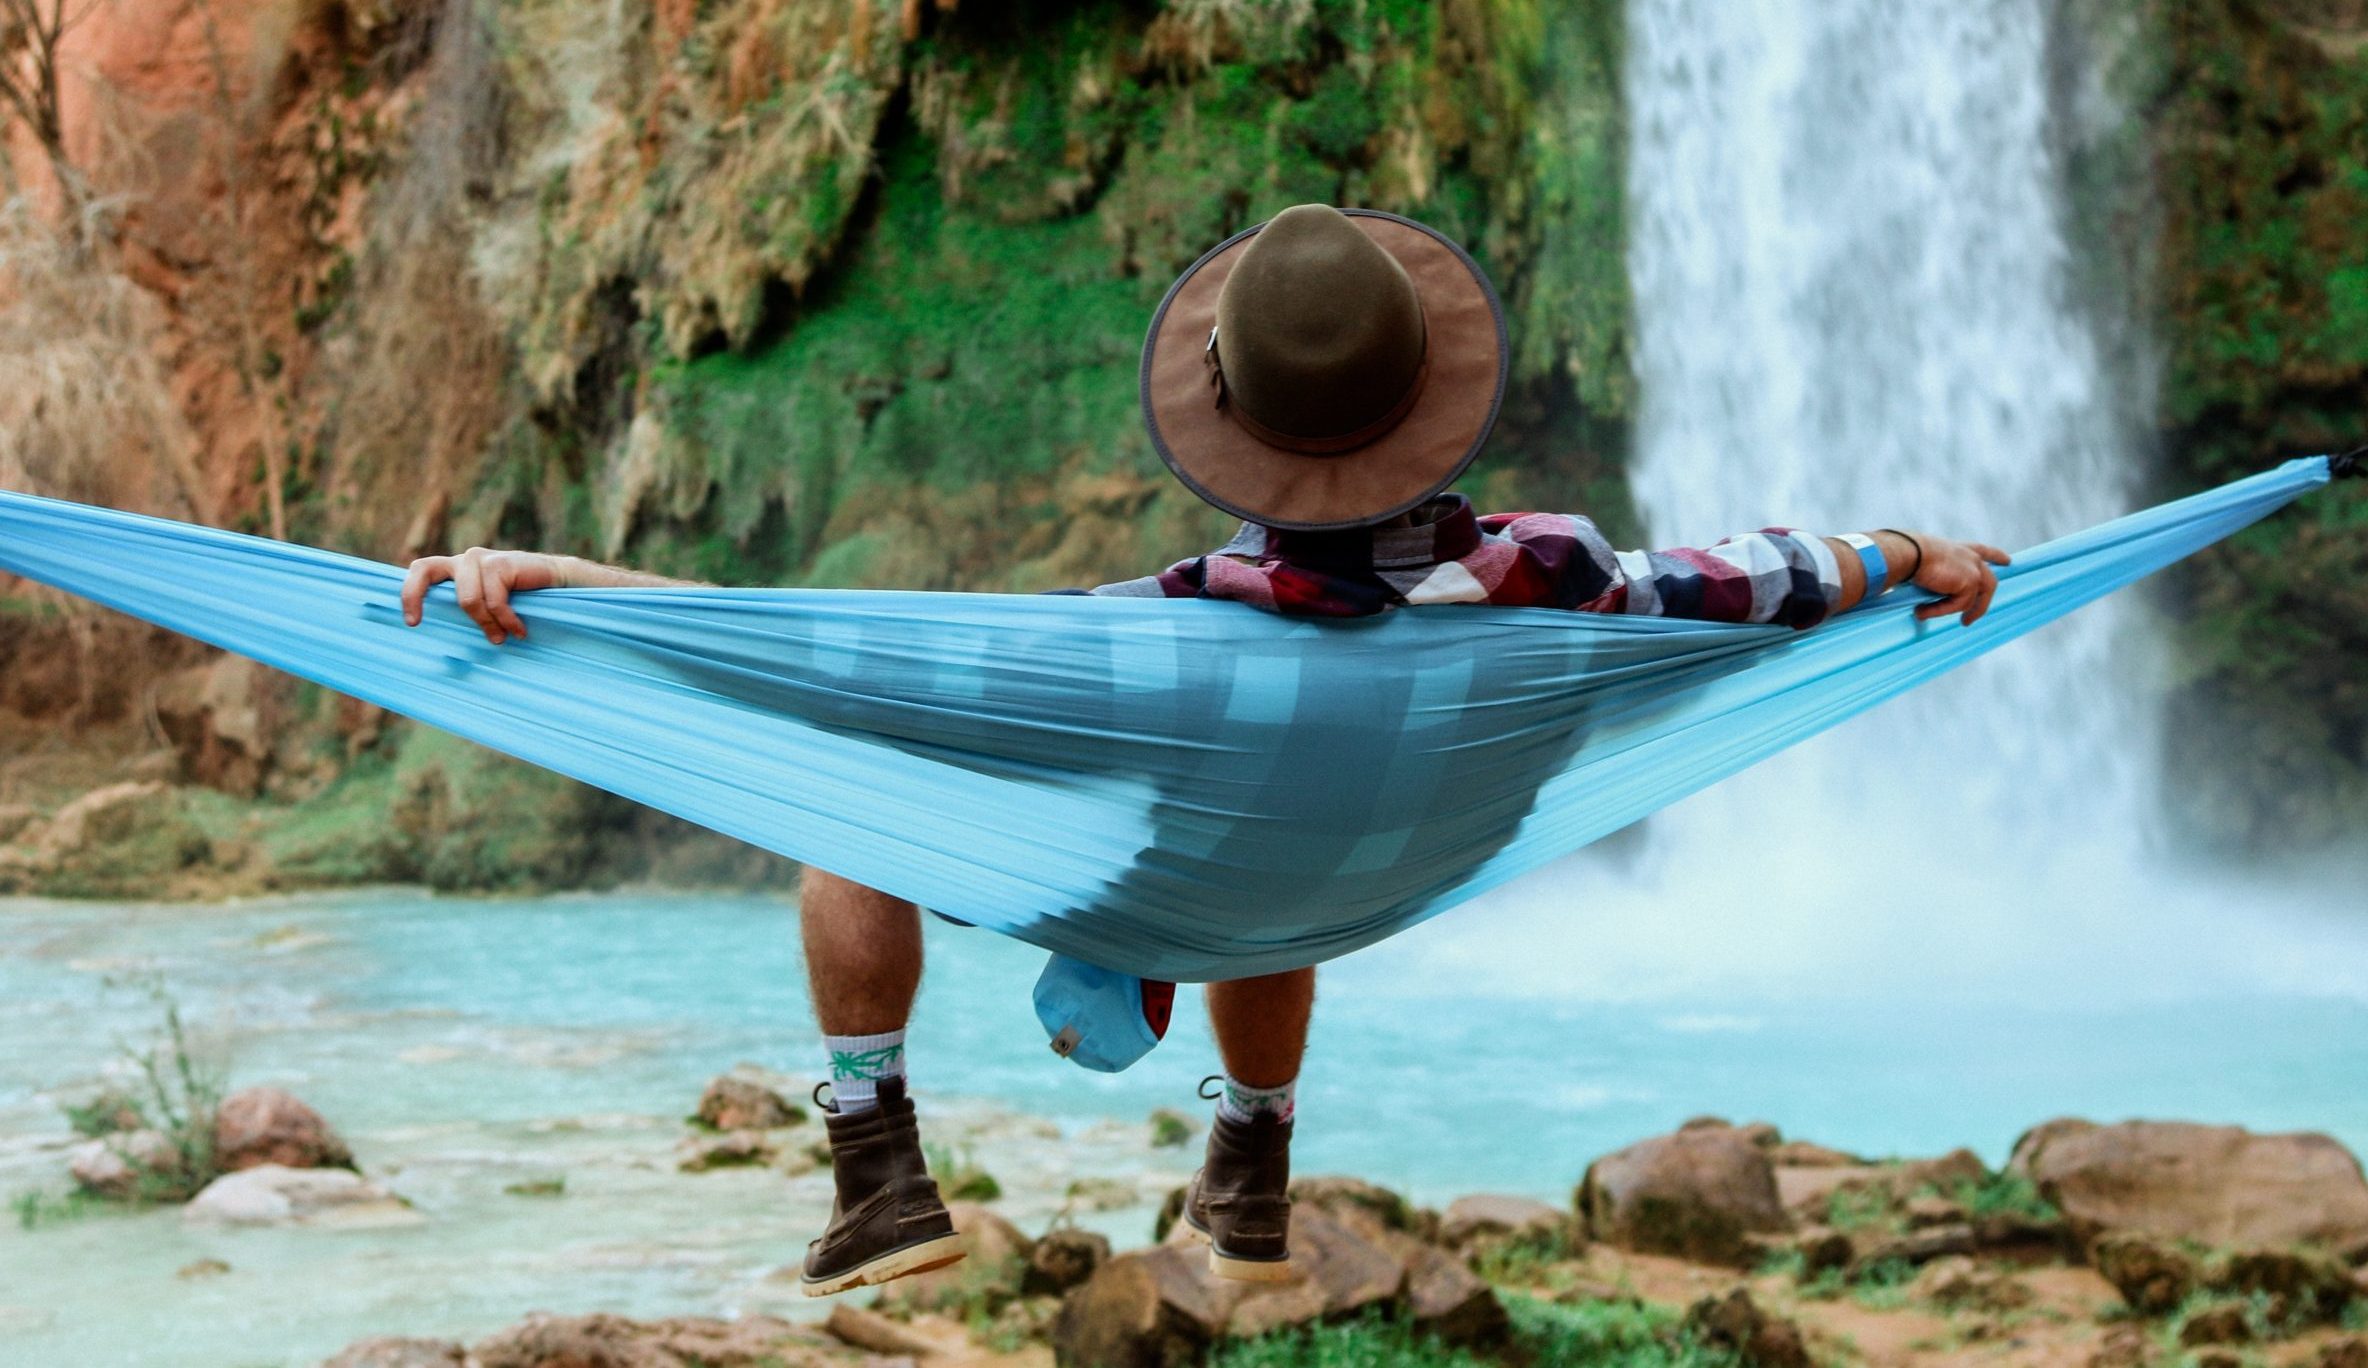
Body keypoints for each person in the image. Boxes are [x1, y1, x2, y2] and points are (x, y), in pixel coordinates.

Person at [399, 204, 2008, 1295]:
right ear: (1434, 403)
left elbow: (823, 665)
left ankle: (878, 1164)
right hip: (1356, 887)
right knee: (1276, 868)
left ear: (1230, 423)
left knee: (855, 808)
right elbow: (1761, 577)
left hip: (1194, 864)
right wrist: (1902, 547)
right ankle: (1250, 1168)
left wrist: (586, 593)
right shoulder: (1573, 582)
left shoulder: (1156, 635)